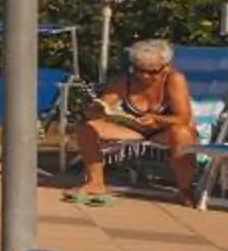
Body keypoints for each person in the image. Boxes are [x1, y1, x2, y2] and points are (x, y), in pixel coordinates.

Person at [72, 39, 196, 206]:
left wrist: (157, 118)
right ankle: (96, 183)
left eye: (152, 72)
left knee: (182, 133)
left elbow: (183, 117)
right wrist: (96, 110)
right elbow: (105, 102)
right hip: (135, 129)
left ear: (166, 67)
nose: (144, 76)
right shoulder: (126, 81)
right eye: (138, 70)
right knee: (86, 128)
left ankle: (185, 189)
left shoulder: (174, 79)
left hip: (164, 131)